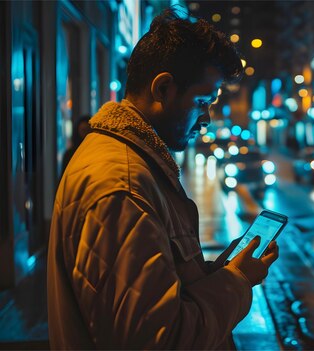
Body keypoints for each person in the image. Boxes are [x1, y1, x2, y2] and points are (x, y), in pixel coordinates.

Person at [47, 8, 279, 349]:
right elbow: (160, 339)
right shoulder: (122, 186)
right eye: (201, 101)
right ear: (163, 88)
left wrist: (220, 272)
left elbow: (163, 293)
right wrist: (237, 280)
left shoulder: (135, 165)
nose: (207, 119)